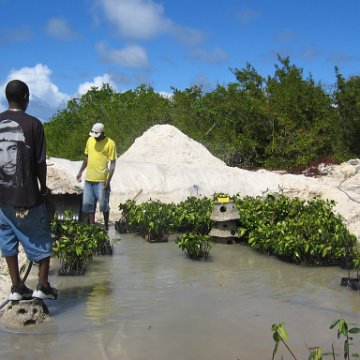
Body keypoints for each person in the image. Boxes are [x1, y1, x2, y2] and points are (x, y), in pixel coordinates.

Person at [0, 79, 57, 300]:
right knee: (41, 238)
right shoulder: (33, 124)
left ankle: (17, 287)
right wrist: (43, 188)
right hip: (27, 197)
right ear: (25, 97)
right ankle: (42, 285)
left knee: (7, 240)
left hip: (2, 198)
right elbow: (40, 162)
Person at [76, 122, 117, 231]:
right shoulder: (90, 140)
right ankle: (92, 226)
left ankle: (107, 226)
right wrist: (80, 172)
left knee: (103, 205)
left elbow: (112, 164)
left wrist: (108, 181)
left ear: (103, 133)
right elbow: (86, 158)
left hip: (102, 180)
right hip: (89, 179)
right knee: (88, 205)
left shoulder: (110, 143)